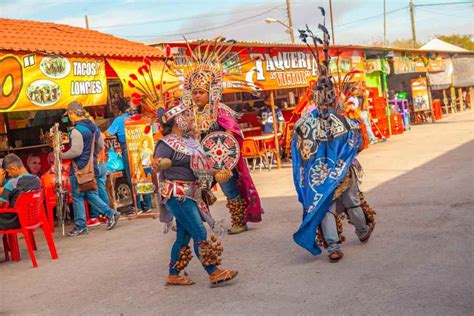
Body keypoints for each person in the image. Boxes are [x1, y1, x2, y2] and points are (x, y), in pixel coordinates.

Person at [292, 18, 376, 262]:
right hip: (344, 173)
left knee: (326, 208)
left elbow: (298, 153)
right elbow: (358, 146)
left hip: (320, 175)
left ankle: (333, 247)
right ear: (335, 100)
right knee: (352, 203)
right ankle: (361, 231)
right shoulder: (347, 122)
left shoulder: (303, 123)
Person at [153, 101, 238, 286]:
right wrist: (162, 163)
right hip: (178, 195)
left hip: (193, 193)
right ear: (178, 121)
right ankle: (213, 272)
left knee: (184, 236)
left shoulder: (191, 141)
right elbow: (160, 162)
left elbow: (204, 166)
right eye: (188, 115)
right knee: (199, 230)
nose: (192, 118)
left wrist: (218, 173)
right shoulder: (166, 143)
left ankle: (173, 274)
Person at [182, 41, 263, 234]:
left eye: (200, 92)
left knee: (230, 191)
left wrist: (226, 161)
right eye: (194, 92)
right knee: (197, 191)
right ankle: (198, 225)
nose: (196, 96)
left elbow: (231, 135)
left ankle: (239, 221)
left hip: (221, 160)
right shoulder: (189, 113)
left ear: (210, 92)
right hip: (201, 162)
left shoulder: (220, 111)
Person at [61, 102, 120, 236]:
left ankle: (82, 225)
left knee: (77, 196)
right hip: (92, 165)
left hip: (79, 167)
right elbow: (100, 145)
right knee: (89, 193)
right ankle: (110, 214)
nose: (69, 117)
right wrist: (92, 156)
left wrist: (61, 155)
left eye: (69, 114)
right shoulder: (93, 127)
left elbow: (76, 151)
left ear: (72, 113)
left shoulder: (76, 131)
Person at [105, 98, 152, 213]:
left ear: (119, 111)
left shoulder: (119, 120)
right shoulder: (138, 118)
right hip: (143, 147)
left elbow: (107, 133)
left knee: (133, 176)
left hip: (129, 149)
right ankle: (148, 204)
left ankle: (137, 206)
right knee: (144, 175)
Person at [0, 154, 41, 230]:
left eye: (8, 172)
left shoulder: (12, 183)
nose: (9, 175)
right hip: (31, 219)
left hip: (14, 221)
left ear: (13, 169)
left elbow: (1, 203)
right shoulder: (37, 180)